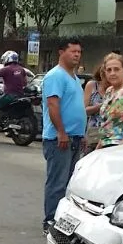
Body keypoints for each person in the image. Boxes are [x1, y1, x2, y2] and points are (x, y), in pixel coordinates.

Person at [41, 39, 87, 234]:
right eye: (73, 51)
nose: (77, 55)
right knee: (57, 182)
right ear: (61, 52)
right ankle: (50, 220)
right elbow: (53, 105)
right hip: (59, 138)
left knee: (69, 183)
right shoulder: (55, 76)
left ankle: (62, 220)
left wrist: (81, 133)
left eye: (79, 51)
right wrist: (61, 131)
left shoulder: (75, 79)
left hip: (74, 138)